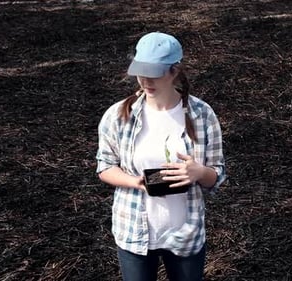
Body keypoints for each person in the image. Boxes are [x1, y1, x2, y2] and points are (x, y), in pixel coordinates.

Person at [96, 31, 226, 281]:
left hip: (186, 233)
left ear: (174, 71)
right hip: (133, 231)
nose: (145, 81)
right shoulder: (117, 115)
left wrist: (199, 172)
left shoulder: (202, 114)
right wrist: (136, 182)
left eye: (154, 73)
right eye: (140, 72)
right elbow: (105, 167)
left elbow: (217, 175)